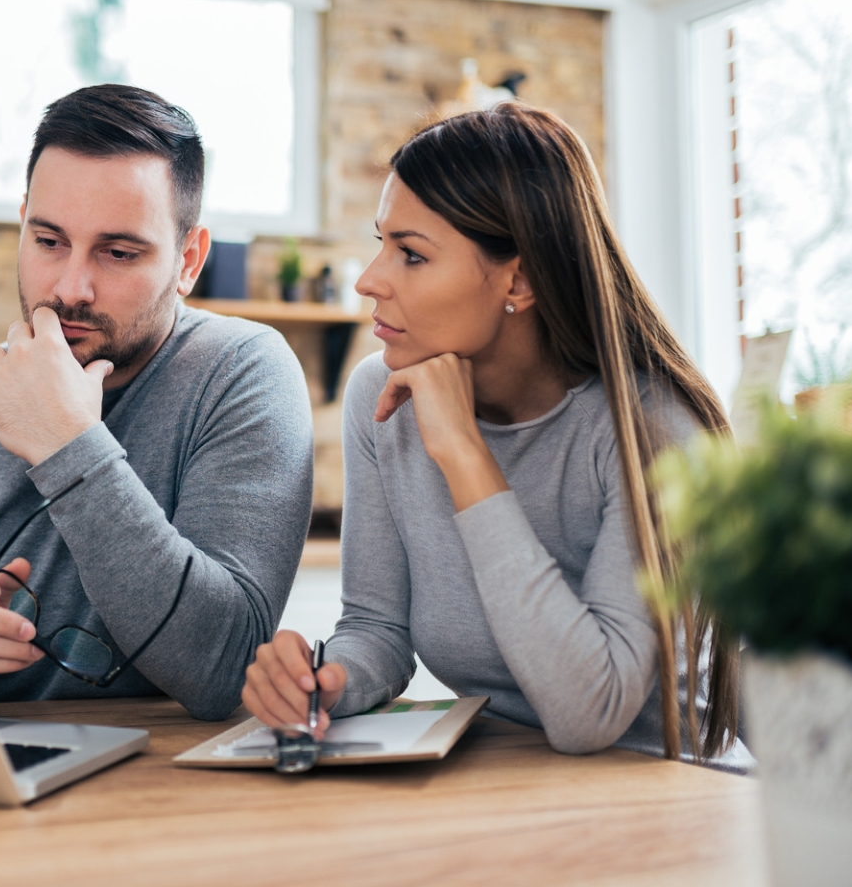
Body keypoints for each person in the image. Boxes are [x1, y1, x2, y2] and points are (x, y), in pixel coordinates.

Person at [241, 102, 745, 766]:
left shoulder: (651, 430)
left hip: (666, 792)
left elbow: (589, 714)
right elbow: (378, 630)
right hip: (504, 776)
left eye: (412, 255)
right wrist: (328, 680)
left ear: (521, 278)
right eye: (381, 244)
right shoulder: (382, 397)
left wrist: (463, 454)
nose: (370, 280)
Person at [0, 84, 313, 720]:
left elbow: (222, 669)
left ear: (188, 260)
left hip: (169, 788)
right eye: (49, 241)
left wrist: (65, 440)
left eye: (118, 253)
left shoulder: (240, 374)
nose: (70, 288)